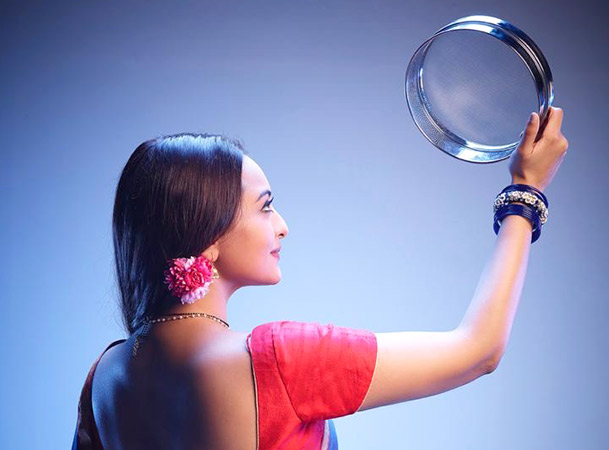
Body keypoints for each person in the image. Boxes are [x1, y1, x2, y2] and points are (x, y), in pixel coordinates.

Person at [72, 107, 568, 449]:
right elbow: (478, 350)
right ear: (208, 235)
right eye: (265, 207)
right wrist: (525, 194)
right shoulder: (278, 361)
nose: (282, 225)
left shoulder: (106, 377)